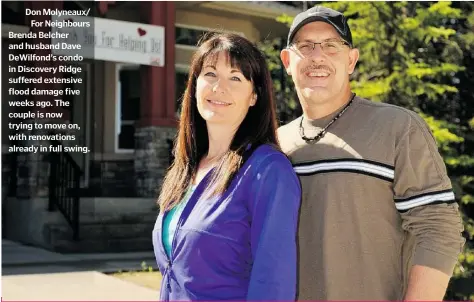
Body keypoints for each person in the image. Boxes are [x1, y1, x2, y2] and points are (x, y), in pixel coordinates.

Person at [277, 5, 466, 301]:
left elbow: (439, 229)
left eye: (331, 46)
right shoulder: (274, 145)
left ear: (351, 60)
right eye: (305, 46)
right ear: (287, 61)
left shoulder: (397, 127)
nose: (317, 56)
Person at [152, 32, 301, 301]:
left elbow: (273, 282)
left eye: (235, 78)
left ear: (254, 96)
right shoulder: (185, 169)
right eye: (210, 74)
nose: (219, 87)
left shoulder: (268, 171)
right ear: (194, 85)